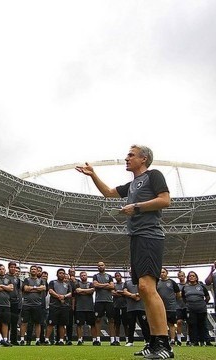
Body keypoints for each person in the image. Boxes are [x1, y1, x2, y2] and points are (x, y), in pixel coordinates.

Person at [77, 144, 172, 359]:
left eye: (131, 155)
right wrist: (93, 175)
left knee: (148, 288)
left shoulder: (153, 175)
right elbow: (109, 193)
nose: (126, 158)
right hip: (137, 238)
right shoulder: (132, 185)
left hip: (150, 235)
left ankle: (164, 344)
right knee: (144, 290)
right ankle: (153, 342)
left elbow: (165, 200)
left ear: (144, 158)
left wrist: (136, 207)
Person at [19, 265, 46, 346]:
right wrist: (37, 288)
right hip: (26, 304)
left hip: (37, 304)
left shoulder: (41, 280)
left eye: (35, 269)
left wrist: (31, 288)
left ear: (37, 271)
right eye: (32, 269)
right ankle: (22, 339)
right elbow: (25, 289)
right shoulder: (26, 280)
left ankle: (37, 340)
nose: (33, 270)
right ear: (30, 271)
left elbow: (43, 288)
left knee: (38, 323)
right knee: (24, 322)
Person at [180, 271, 210, 346]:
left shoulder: (201, 286)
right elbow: (183, 298)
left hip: (201, 308)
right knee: (192, 325)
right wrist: (189, 304)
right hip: (190, 309)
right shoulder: (185, 287)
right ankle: (194, 341)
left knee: (202, 325)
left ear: (196, 277)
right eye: (190, 276)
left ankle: (203, 341)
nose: (191, 277)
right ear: (188, 278)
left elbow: (207, 297)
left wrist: (203, 304)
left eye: (193, 276)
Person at [46, 268, 73, 345]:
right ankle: (47, 339)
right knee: (50, 323)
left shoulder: (67, 284)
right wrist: (59, 296)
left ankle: (61, 340)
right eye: (60, 273)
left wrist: (64, 297)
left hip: (64, 306)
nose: (61, 274)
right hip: (54, 306)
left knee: (62, 324)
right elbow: (50, 291)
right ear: (57, 274)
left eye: (63, 273)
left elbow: (70, 294)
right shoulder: (52, 282)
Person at [123, 276, 150, 349]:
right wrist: (133, 295)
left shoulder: (143, 282)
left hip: (142, 307)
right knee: (131, 325)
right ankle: (130, 341)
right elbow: (124, 291)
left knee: (144, 325)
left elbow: (146, 291)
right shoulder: (127, 282)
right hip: (131, 308)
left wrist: (139, 295)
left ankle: (147, 341)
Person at [92, 261, 115, 346]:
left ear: (105, 266)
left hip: (109, 301)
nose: (100, 267)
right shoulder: (95, 276)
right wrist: (106, 285)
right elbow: (95, 285)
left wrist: (100, 285)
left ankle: (112, 340)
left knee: (111, 320)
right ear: (97, 267)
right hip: (99, 301)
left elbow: (112, 286)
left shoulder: (109, 276)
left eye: (102, 265)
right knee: (98, 319)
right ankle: (98, 340)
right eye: (99, 266)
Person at [156, 268, 180, 346]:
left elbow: (178, 294)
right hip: (160, 307)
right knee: (161, 324)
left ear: (167, 273)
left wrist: (172, 301)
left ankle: (172, 340)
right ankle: (162, 340)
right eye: (160, 272)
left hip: (171, 307)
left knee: (171, 324)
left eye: (163, 272)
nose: (162, 274)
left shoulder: (172, 282)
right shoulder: (157, 282)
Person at [0, 264, 14, 345]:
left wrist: (1, 286)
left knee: (5, 322)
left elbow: (11, 288)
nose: (2, 270)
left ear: (5, 270)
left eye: (3, 269)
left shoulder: (9, 279)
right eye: (0, 269)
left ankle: (5, 339)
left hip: (6, 304)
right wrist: (6, 287)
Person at [74, 271, 95, 346]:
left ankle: (94, 340)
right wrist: (87, 291)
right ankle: (80, 339)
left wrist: (82, 291)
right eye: (82, 275)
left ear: (87, 276)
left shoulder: (91, 284)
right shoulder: (77, 284)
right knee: (79, 325)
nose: (83, 276)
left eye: (84, 275)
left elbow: (92, 291)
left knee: (92, 324)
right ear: (80, 277)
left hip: (90, 308)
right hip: (80, 308)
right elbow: (77, 291)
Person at [111, 272, 128, 346]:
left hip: (125, 306)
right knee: (117, 324)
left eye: (118, 276)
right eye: (116, 276)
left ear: (121, 276)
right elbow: (112, 293)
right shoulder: (114, 285)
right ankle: (117, 340)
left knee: (126, 324)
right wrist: (121, 293)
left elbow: (126, 292)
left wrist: (119, 292)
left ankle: (128, 339)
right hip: (116, 306)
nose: (117, 277)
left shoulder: (124, 284)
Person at [8, 262, 22, 344]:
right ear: (9, 268)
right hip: (7, 301)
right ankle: (5, 338)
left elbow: (19, 291)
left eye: (15, 267)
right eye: (12, 267)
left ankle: (14, 340)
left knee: (14, 322)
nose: (13, 269)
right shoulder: (5, 277)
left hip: (15, 302)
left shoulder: (18, 280)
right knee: (6, 321)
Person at [174, 270, 188, 346]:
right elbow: (175, 296)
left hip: (187, 306)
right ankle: (179, 339)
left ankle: (188, 339)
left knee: (189, 323)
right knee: (179, 322)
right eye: (179, 276)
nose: (181, 277)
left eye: (182, 276)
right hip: (178, 306)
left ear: (184, 276)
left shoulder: (188, 285)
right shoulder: (177, 286)